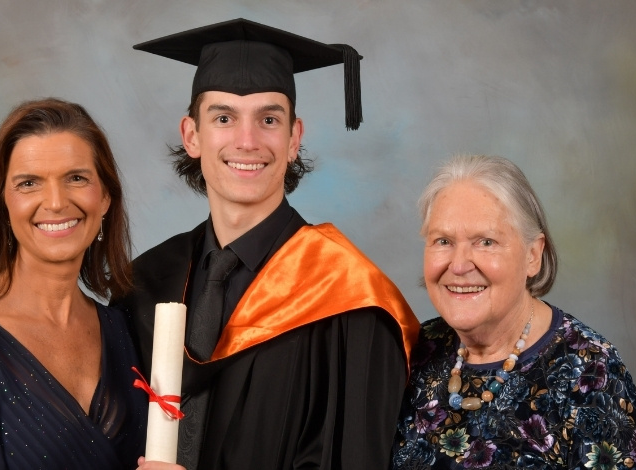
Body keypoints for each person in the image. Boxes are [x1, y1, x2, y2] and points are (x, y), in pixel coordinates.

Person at [112, 19, 420, 470]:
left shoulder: (349, 302)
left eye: (268, 119)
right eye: (223, 118)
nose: (247, 141)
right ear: (191, 136)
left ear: (294, 138)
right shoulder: (144, 283)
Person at [0, 98, 183, 470]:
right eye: (29, 183)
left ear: (106, 196)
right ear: (3, 203)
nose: (56, 202)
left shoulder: (122, 328)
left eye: (76, 178)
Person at [391, 155, 636, 469]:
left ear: (532, 255)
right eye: (443, 241)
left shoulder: (592, 374)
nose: (458, 265)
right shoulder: (412, 350)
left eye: (485, 242)